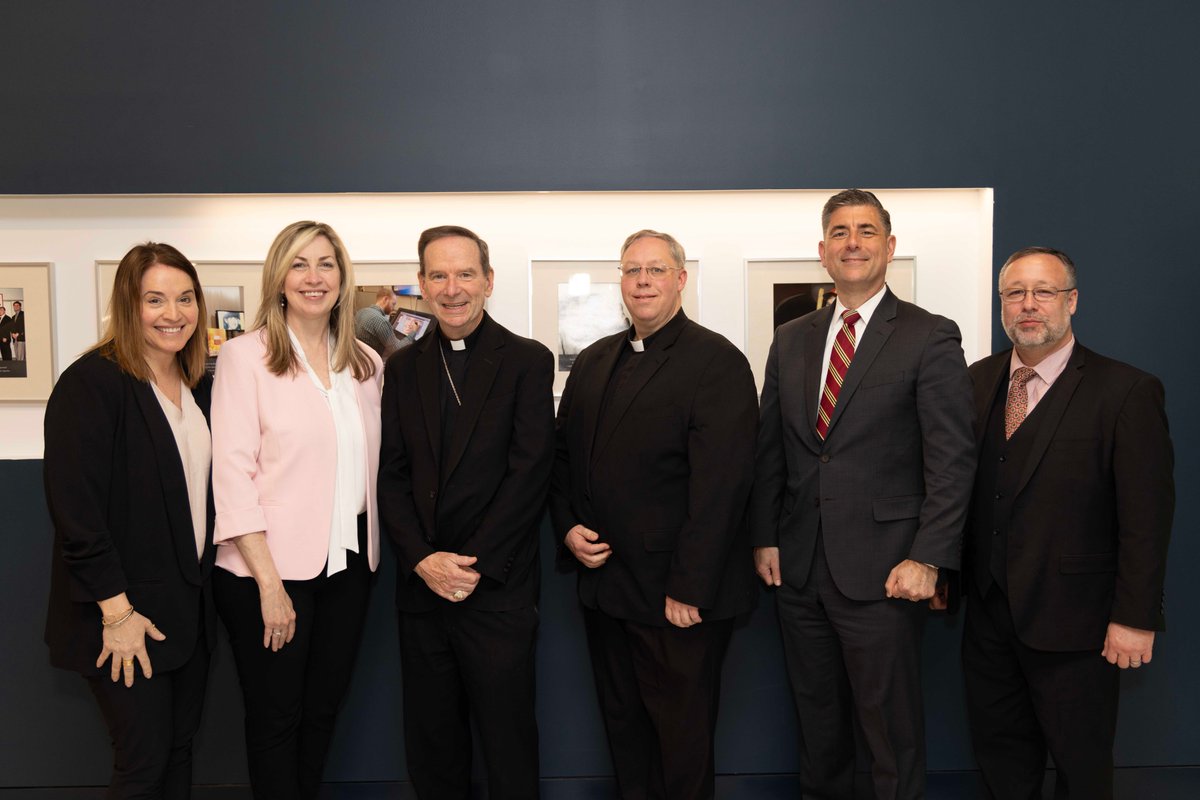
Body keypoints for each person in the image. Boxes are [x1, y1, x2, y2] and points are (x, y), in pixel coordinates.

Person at [751, 190, 975, 799]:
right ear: (822, 251)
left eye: (868, 231)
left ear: (890, 247)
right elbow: (773, 448)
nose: (854, 242)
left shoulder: (930, 336)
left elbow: (952, 460)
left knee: (887, 732)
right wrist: (765, 536)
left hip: (887, 569)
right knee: (817, 728)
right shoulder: (792, 338)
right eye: (841, 232)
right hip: (799, 570)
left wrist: (929, 557)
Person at [550, 229, 758, 799]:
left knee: (682, 744)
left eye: (656, 270)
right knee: (626, 735)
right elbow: (561, 459)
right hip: (606, 589)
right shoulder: (593, 361)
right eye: (631, 270)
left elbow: (723, 487)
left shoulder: (717, 361)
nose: (642, 281)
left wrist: (689, 587)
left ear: (680, 279)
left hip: (676, 599)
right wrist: (567, 526)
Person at [962, 246, 1174, 799]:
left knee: (1081, 771)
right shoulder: (975, 383)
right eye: (1015, 293)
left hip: (1080, 627)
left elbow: (1147, 517)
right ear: (1001, 304)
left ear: (1072, 301)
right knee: (1000, 762)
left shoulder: (1126, 391)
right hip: (987, 619)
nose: (1028, 305)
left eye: (1044, 292)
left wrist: (1135, 616)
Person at [379, 225, 554, 799]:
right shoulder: (402, 369)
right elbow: (393, 476)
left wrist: (470, 566)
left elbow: (529, 474)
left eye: (464, 274)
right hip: (422, 591)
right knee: (432, 747)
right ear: (422, 285)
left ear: (488, 281)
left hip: (497, 589)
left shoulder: (527, 361)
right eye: (438, 275)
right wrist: (425, 561)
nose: (452, 289)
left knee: (508, 747)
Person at [211, 220, 383, 798]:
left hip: (348, 566)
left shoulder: (365, 364)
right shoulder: (243, 357)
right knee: (275, 721)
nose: (314, 277)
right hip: (269, 574)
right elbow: (233, 474)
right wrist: (268, 583)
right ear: (279, 277)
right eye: (300, 264)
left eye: (326, 264)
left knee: (321, 714)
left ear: (343, 277)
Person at [44, 242, 215, 798]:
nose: (174, 313)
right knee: (141, 766)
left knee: (177, 754)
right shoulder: (92, 383)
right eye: (156, 300)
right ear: (127, 305)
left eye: (185, 298)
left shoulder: (197, 386)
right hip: (124, 620)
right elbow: (78, 515)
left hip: (184, 616)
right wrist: (117, 616)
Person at [354, 286, 405, 358]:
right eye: (393, 304)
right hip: (372, 361)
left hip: (359, 357)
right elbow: (397, 349)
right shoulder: (381, 321)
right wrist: (413, 332)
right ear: (385, 299)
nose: (393, 308)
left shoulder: (361, 311)